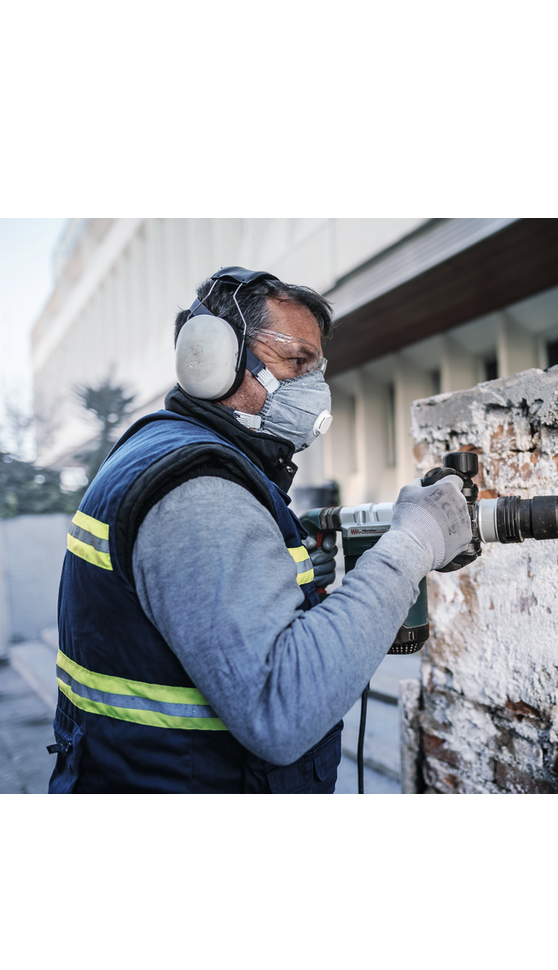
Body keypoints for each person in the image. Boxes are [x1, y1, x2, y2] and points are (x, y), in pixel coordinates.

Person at [49, 267, 472, 793]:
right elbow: (282, 707)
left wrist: (281, 576)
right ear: (212, 358)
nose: (315, 390)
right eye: (296, 362)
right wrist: (412, 545)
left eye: (317, 369)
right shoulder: (200, 492)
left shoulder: (159, 447)